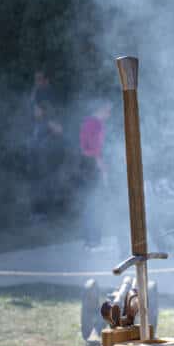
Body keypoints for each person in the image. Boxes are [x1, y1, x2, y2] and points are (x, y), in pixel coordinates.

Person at [79, 100, 112, 250]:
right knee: (95, 203)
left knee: (90, 203)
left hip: (86, 164)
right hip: (92, 165)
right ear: (101, 109)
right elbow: (95, 146)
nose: (109, 114)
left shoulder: (87, 122)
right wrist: (102, 168)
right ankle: (93, 242)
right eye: (108, 110)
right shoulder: (96, 124)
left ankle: (90, 241)